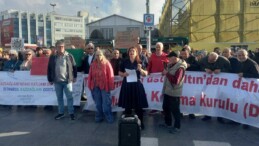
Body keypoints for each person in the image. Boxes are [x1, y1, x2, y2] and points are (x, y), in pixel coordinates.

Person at [118, 47, 148, 130]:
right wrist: (123, 74)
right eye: (130, 51)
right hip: (127, 85)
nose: (131, 52)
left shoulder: (140, 61)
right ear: (128, 53)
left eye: (133, 51)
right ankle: (128, 124)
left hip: (136, 85)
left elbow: (145, 74)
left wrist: (140, 69)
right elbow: (119, 72)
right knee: (127, 106)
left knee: (138, 106)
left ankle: (141, 123)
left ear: (136, 53)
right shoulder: (124, 61)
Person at [47, 40, 77, 120]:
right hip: (57, 81)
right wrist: (50, 79)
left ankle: (71, 113)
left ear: (64, 47)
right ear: (56, 47)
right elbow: (49, 68)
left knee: (69, 97)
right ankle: (61, 113)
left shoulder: (69, 56)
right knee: (59, 98)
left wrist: (75, 77)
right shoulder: (53, 57)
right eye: (59, 47)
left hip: (67, 81)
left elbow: (74, 67)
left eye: (62, 47)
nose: (61, 48)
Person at [199, 52, 231, 123]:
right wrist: (205, 69)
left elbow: (229, 69)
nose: (210, 62)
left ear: (217, 58)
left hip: (220, 83)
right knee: (207, 98)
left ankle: (220, 116)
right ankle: (207, 115)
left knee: (220, 99)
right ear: (208, 57)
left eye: (213, 61)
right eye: (209, 60)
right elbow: (198, 67)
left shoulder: (224, 60)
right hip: (208, 82)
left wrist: (221, 71)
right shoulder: (203, 60)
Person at [160, 51, 187, 134]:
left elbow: (176, 81)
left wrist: (167, 73)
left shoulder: (180, 67)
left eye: (169, 57)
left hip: (174, 92)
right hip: (167, 91)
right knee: (166, 108)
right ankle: (168, 123)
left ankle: (177, 127)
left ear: (175, 57)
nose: (168, 59)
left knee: (175, 111)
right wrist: (164, 73)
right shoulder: (170, 64)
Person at [88, 50, 115, 123]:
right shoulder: (93, 64)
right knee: (98, 104)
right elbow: (90, 75)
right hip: (95, 86)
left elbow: (111, 76)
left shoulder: (107, 63)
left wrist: (111, 86)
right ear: (95, 56)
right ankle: (99, 117)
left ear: (103, 55)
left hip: (105, 87)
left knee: (106, 104)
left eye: (100, 55)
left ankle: (109, 117)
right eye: (97, 55)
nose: (98, 56)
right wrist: (89, 85)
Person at [237, 49, 259, 129]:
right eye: (239, 55)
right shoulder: (240, 62)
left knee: (250, 105)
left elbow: (257, 75)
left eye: (243, 55)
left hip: (252, 89)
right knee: (244, 104)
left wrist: (244, 74)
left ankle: (248, 122)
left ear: (247, 55)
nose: (241, 56)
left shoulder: (253, 63)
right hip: (244, 87)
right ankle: (244, 120)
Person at [147, 42, 168, 114]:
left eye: (159, 47)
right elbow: (149, 65)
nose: (158, 48)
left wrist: (166, 70)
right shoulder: (152, 56)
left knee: (162, 93)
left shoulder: (166, 56)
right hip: (154, 79)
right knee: (154, 93)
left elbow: (169, 66)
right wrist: (148, 71)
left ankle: (163, 109)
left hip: (163, 78)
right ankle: (155, 108)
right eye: (157, 47)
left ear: (162, 48)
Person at [180, 48, 200, 119]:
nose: (183, 55)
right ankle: (181, 111)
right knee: (182, 97)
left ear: (188, 53)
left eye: (185, 54)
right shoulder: (179, 59)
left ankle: (191, 112)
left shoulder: (193, 59)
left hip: (191, 82)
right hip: (181, 82)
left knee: (190, 97)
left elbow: (198, 67)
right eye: (182, 54)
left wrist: (190, 65)